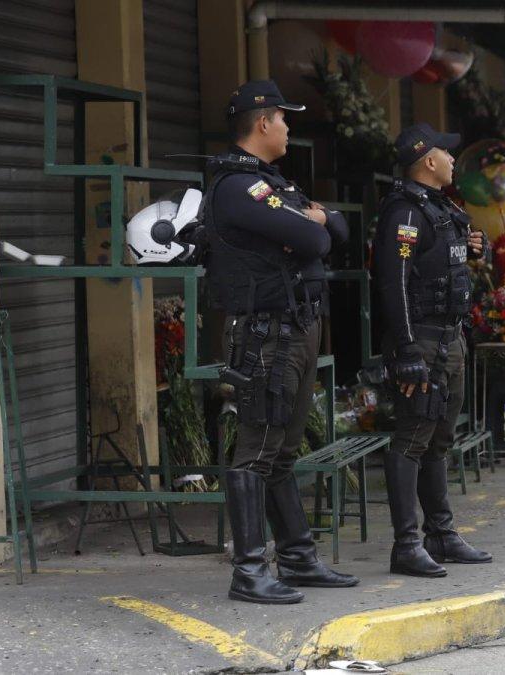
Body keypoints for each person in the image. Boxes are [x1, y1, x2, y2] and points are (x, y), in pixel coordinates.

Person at [207, 80, 357, 604]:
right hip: (266, 334)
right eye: (285, 118)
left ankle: (296, 558)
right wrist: (317, 224)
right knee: (258, 450)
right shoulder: (238, 186)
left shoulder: (270, 182)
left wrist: (320, 221)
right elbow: (317, 238)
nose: (290, 127)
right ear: (264, 121)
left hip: (295, 328)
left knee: (283, 450)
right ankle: (249, 571)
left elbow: (335, 229)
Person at [373, 123, 491, 578]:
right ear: (428, 160)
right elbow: (394, 284)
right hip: (422, 341)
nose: (453, 159)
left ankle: (440, 534)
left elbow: (440, 262)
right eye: (447, 152)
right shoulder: (405, 212)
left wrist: (473, 248)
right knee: (412, 439)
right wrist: (406, 350)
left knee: (440, 439)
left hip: (449, 339)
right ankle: (406, 545)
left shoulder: (439, 207)